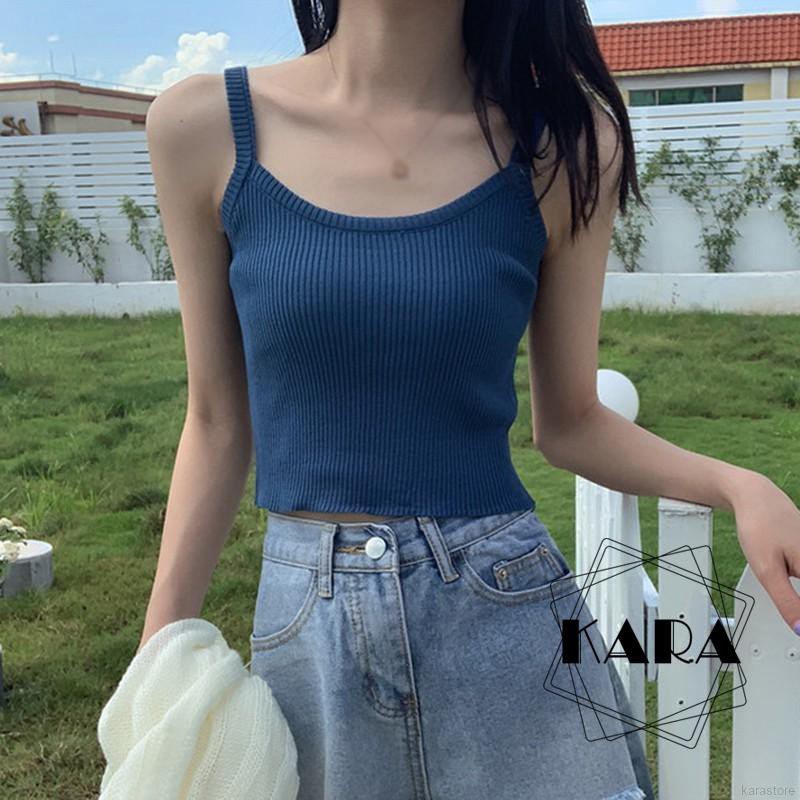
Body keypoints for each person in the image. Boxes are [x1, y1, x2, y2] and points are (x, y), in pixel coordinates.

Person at [140, 1, 800, 798]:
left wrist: (739, 485)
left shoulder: (563, 145)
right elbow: (217, 422)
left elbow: (572, 422)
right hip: (311, 639)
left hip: (506, 618)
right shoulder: (204, 129)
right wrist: (155, 673)